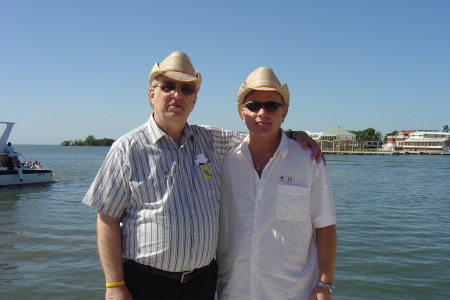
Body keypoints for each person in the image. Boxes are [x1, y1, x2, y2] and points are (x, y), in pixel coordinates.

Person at [82, 52, 322, 300]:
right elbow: (107, 219)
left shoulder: (212, 140)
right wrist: (114, 285)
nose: (177, 94)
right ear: (152, 94)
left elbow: (261, 136)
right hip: (145, 282)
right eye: (168, 86)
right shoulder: (127, 149)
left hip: (202, 283)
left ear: (194, 100)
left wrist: (293, 134)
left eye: (186, 89)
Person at [216, 67, 337, 300]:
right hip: (234, 291)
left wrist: (326, 284)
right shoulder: (224, 160)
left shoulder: (309, 160)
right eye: (253, 105)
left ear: (285, 112)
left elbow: (325, 225)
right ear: (242, 112)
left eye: (272, 105)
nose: (263, 112)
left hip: (294, 292)